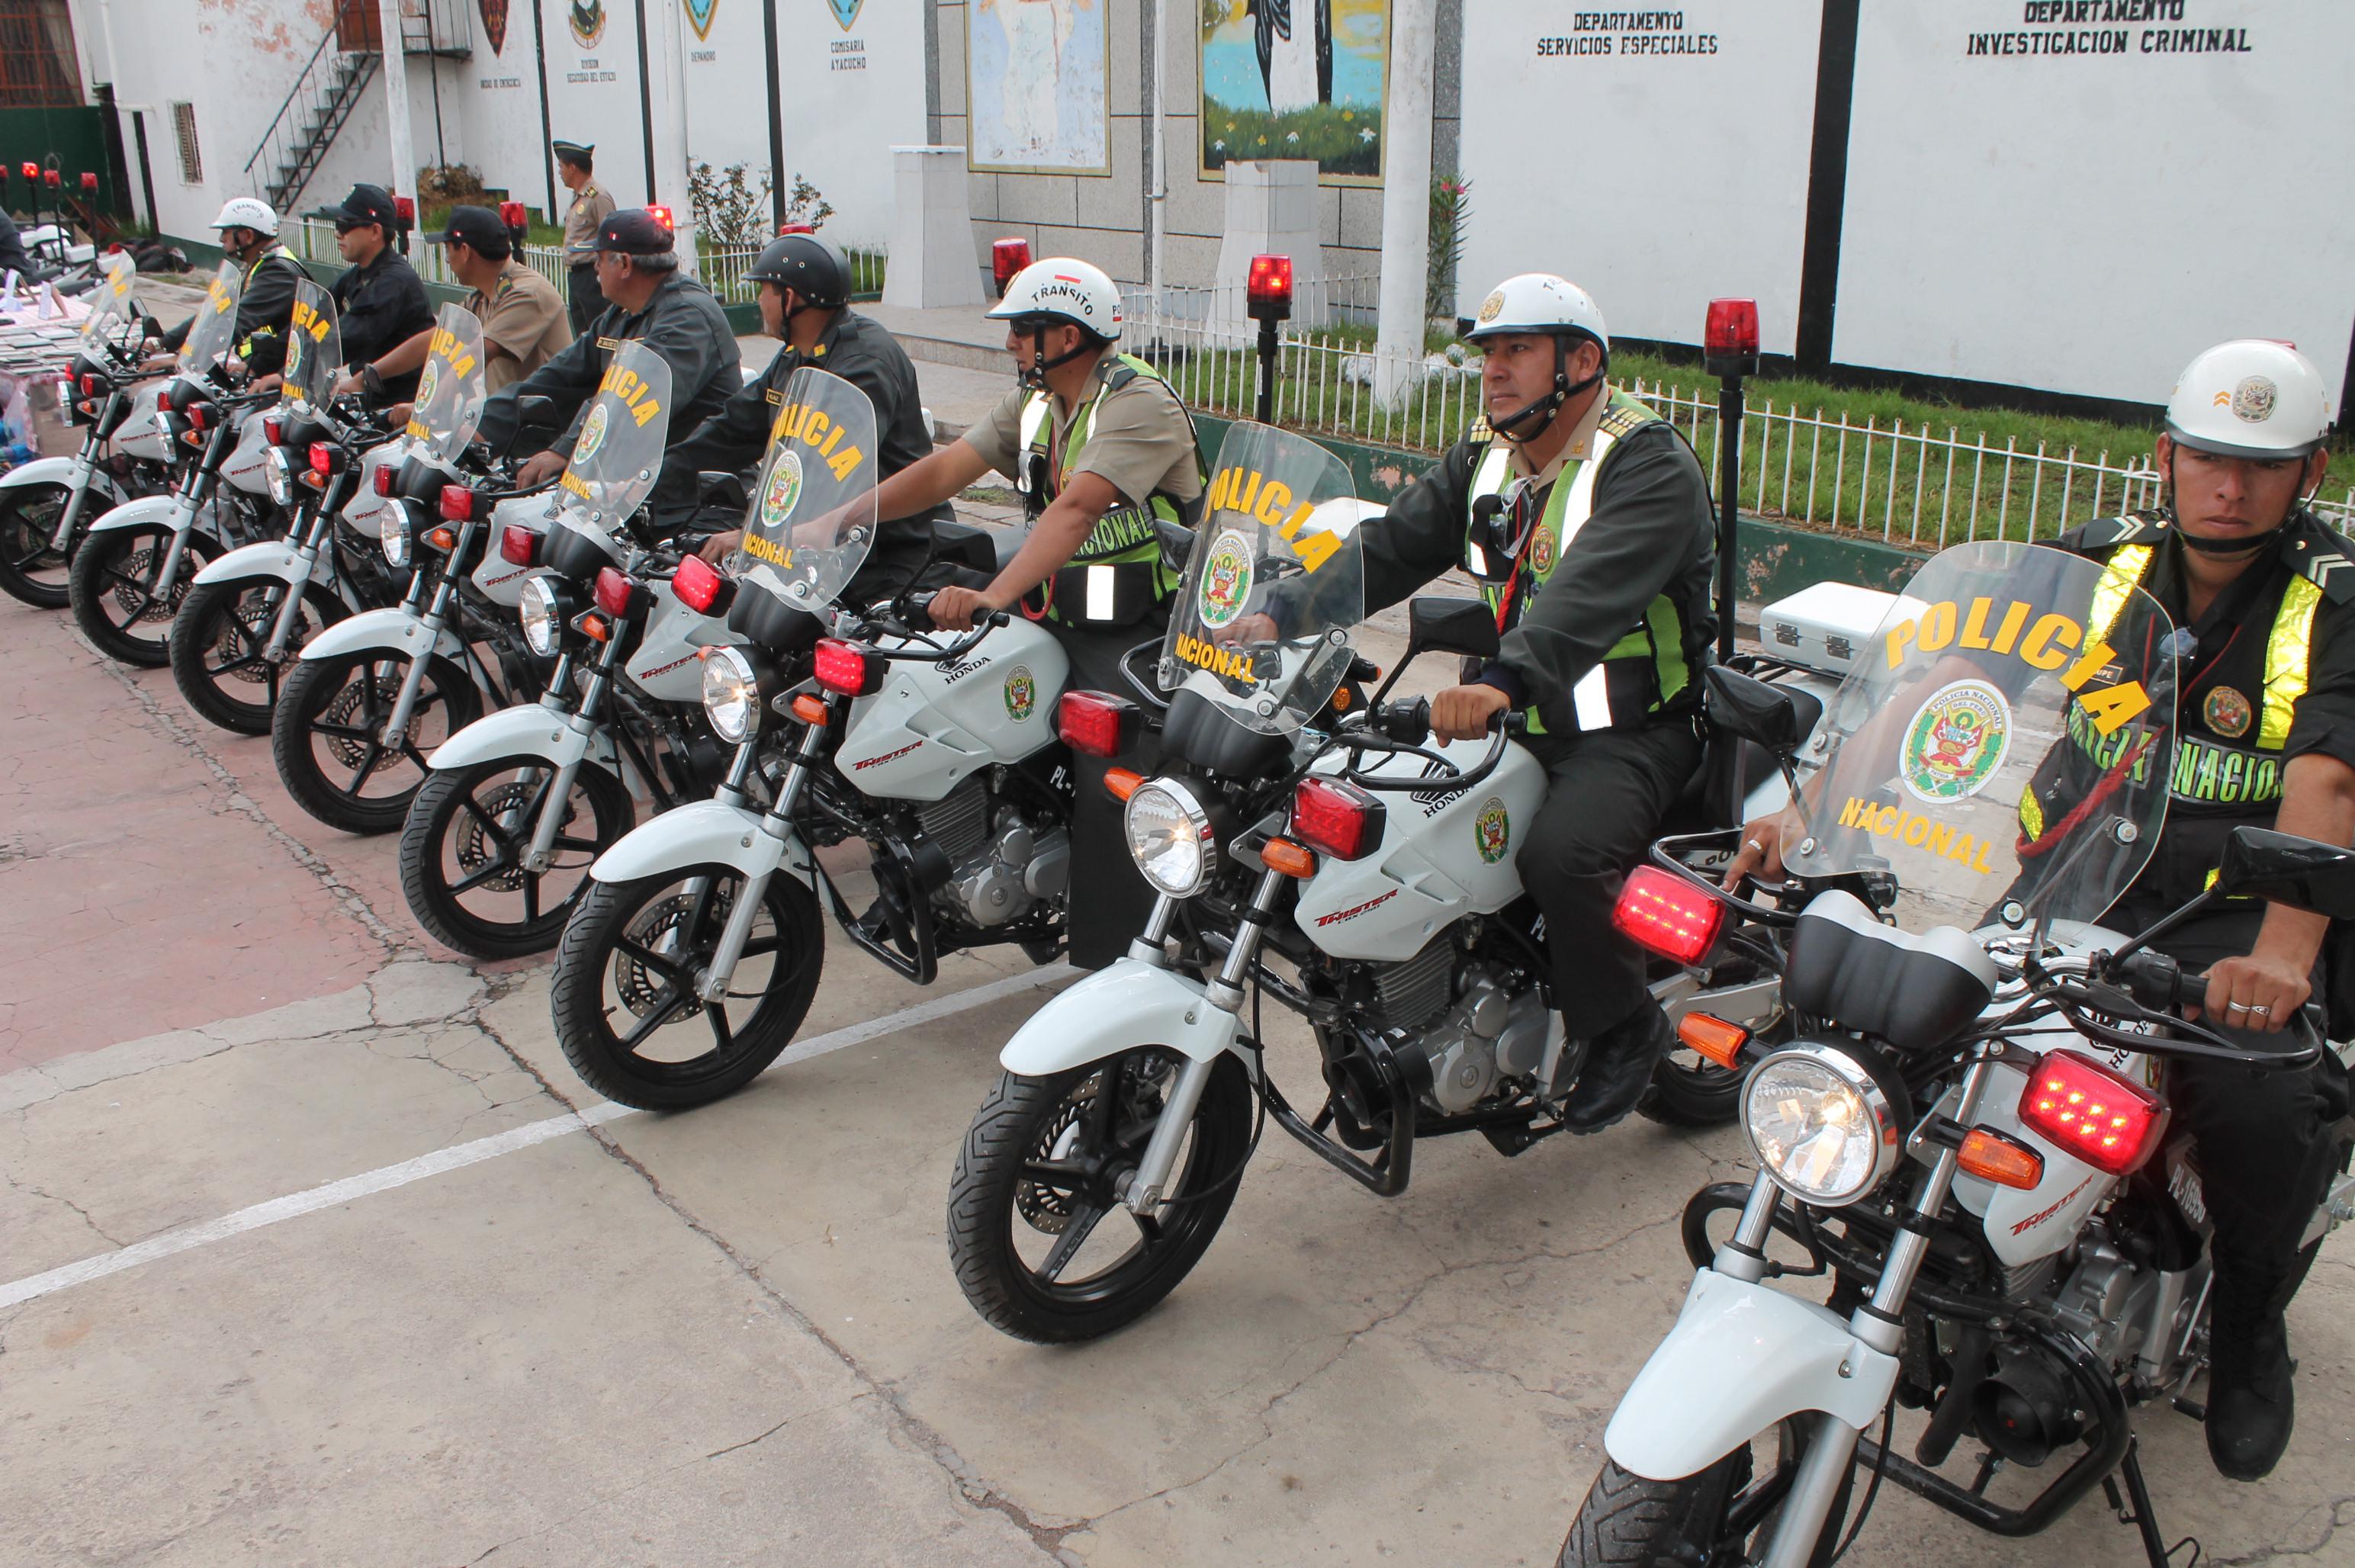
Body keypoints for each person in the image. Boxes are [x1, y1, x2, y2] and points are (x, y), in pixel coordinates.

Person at [1731, 338, 2355, 1484]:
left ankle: (2254, 1327)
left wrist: (2281, 956)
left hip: (2232, 910)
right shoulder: (2099, 563)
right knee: (1925, 1045)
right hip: (2081, 869)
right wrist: (1801, 814)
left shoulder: (2335, 601)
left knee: (2254, 1103)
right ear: (2166, 455)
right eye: (2210, 459)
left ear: (2308, 476)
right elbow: (1939, 679)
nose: (2231, 487)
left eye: (2262, 467)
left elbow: (2328, 782)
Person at [1312, 273, 1716, 1133]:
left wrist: (1502, 678)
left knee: (1561, 857)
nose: (1494, 371)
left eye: (1517, 351)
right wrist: (1283, 608)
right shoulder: (1489, 453)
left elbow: (1587, 593)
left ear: (1581, 360)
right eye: (1488, 353)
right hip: (1515, 719)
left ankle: (1623, 1029)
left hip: (1629, 732)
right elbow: (1390, 547)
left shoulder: (1646, 462)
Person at [840, 255, 1204, 968]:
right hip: (1057, 610)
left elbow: (1076, 508)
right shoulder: (1038, 404)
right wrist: (846, 518)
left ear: (1066, 335)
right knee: (924, 678)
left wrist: (992, 596)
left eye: (1022, 331)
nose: (1009, 344)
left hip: (1143, 629)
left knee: (1116, 769)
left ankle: (1125, 957)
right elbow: (950, 468)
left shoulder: (1138, 403)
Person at [670, 232, 949, 585]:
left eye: (764, 290)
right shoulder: (796, 357)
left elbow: (827, 475)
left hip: (891, 557)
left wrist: (752, 537)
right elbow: (733, 429)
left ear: (790, 298)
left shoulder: (864, 365)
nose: (758, 301)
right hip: (822, 550)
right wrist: (652, 479)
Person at [484, 208, 740, 491]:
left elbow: (631, 394)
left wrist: (566, 450)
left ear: (626, 264)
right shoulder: (620, 316)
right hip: (634, 481)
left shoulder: (687, 317)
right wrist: (483, 426)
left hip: (698, 489)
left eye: (600, 258)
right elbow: (559, 377)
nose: (595, 267)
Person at [349, 206, 570, 400]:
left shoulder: (526, 294)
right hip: (510, 421)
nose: (446, 259)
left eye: (448, 249)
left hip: (545, 431)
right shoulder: (484, 297)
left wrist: (425, 405)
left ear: (464, 251)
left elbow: (476, 356)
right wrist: (366, 377)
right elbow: (433, 340)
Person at [147, 197, 311, 374]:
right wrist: (162, 343)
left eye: (226, 231)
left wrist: (187, 358)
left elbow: (233, 321)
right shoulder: (261, 264)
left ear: (248, 235)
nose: (221, 238)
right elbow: (215, 312)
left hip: (285, 374)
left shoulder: (277, 273)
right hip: (262, 366)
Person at [320, 184, 433, 403]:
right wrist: (273, 364)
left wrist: (301, 361)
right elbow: (315, 318)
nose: (337, 234)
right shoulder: (356, 276)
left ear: (375, 232)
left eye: (346, 226)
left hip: (398, 405)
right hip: (368, 397)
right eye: (337, 225)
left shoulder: (393, 282)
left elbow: (344, 339)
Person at [554, 140, 616, 336]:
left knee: (600, 333)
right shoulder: (579, 197)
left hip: (592, 276)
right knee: (583, 336)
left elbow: (611, 238)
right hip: (576, 276)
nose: (559, 172)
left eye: (561, 167)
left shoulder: (597, 196)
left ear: (572, 168)